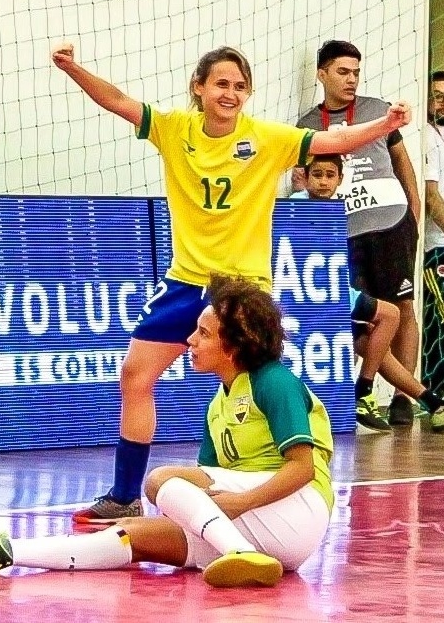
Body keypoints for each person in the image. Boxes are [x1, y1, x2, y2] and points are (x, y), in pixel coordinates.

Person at [51, 41, 412, 522]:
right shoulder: (173, 129)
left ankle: (269, 486)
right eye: (221, 83)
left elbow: (337, 142)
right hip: (184, 282)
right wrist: (75, 67)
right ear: (198, 88)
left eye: (240, 86)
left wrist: (385, 124)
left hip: (242, 288)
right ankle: (123, 494)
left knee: (251, 388)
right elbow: (116, 100)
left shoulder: (266, 137)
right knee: (135, 376)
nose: (231, 93)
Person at [0, 275, 335, 588]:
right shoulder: (218, 404)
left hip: (298, 509)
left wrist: (240, 503)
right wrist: (164, 525)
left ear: (235, 343)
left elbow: (303, 469)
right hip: (268, 530)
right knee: (132, 534)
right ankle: (2, 550)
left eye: (203, 333)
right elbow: (202, 497)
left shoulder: (274, 382)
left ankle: (238, 552)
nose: (190, 341)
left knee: (160, 480)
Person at [294, 40, 421, 428]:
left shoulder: (377, 111)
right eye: (342, 72)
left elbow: (402, 161)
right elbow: (301, 176)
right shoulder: (306, 125)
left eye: (355, 72)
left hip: (390, 225)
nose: (351, 79)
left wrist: (413, 213)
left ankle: (404, 396)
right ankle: (346, 397)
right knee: (352, 319)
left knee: (402, 309)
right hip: (343, 234)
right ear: (322, 75)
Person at [296, 155, 444, 432]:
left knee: (370, 342)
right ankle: (364, 390)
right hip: (311, 297)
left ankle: (430, 401)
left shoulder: (342, 210)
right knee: (389, 315)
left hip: (334, 293)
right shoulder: (297, 204)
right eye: (317, 174)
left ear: (340, 180)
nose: (324, 181)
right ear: (305, 177)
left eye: (330, 175)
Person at [423, 70, 444, 409]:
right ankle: (437, 395)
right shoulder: (426, 136)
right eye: (436, 94)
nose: (442, 101)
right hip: (435, 246)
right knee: (439, 320)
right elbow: (431, 198)